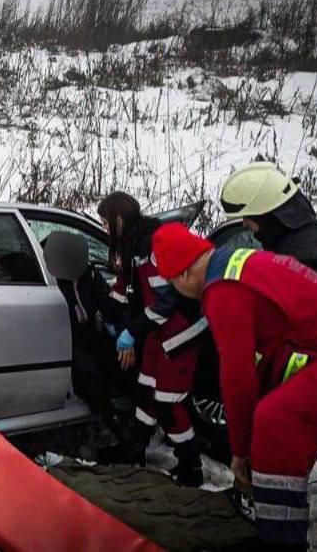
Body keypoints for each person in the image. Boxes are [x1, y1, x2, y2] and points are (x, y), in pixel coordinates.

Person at [152, 223, 317, 551]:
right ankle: (275, 509)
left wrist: (239, 451)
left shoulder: (222, 291)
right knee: (285, 417)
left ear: (182, 276)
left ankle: (281, 539)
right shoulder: (237, 261)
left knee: (273, 420)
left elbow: (237, 377)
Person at [97, 192, 208, 486]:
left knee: (168, 404)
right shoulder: (132, 245)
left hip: (180, 331)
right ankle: (136, 450)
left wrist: (131, 332)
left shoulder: (155, 245)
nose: (106, 230)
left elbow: (167, 300)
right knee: (146, 391)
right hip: (156, 331)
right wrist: (108, 309)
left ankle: (190, 467)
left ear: (119, 220)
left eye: (106, 224)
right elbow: (126, 284)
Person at [43, 231, 141, 464]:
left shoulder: (89, 276)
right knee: (90, 378)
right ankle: (119, 433)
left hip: (89, 338)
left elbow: (110, 305)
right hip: (67, 342)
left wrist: (127, 334)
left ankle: (134, 435)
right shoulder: (54, 281)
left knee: (124, 367)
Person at [220, 161, 317, 296]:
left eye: (247, 217)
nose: (244, 223)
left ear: (264, 217)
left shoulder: (296, 263)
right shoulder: (308, 227)